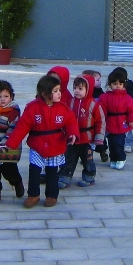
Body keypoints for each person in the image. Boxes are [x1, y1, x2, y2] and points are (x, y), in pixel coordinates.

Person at [6, 75, 79, 208]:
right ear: (44, 93)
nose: (59, 93)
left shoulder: (63, 108)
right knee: (34, 171)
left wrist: (73, 133)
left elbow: (71, 122)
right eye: (55, 91)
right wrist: (11, 143)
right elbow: (22, 127)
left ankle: (52, 195)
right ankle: (33, 195)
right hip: (37, 145)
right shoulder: (33, 108)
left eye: (59, 90)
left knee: (52, 172)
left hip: (56, 145)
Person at [58, 75, 105, 188]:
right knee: (69, 158)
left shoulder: (94, 104)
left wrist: (99, 137)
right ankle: (65, 177)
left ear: (88, 90)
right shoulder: (70, 102)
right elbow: (64, 118)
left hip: (87, 138)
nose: (76, 91)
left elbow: (101, 121)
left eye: (80, 89)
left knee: (87, 159)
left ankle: (89, 177)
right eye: (75, 88)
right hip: (72, 137)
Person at [98, 69, 133, 169]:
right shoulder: (105, 97)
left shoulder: (127, 98)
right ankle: (113, 158)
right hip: (110, 123)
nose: (118, 86)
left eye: (120, 83)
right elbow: (100, 110)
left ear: (124, 85)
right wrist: (100, 121)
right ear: (110, 84)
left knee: (118, 142)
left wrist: (132, 120)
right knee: (111, 142)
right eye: (115, 83)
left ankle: (121, 158)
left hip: (122, 123)